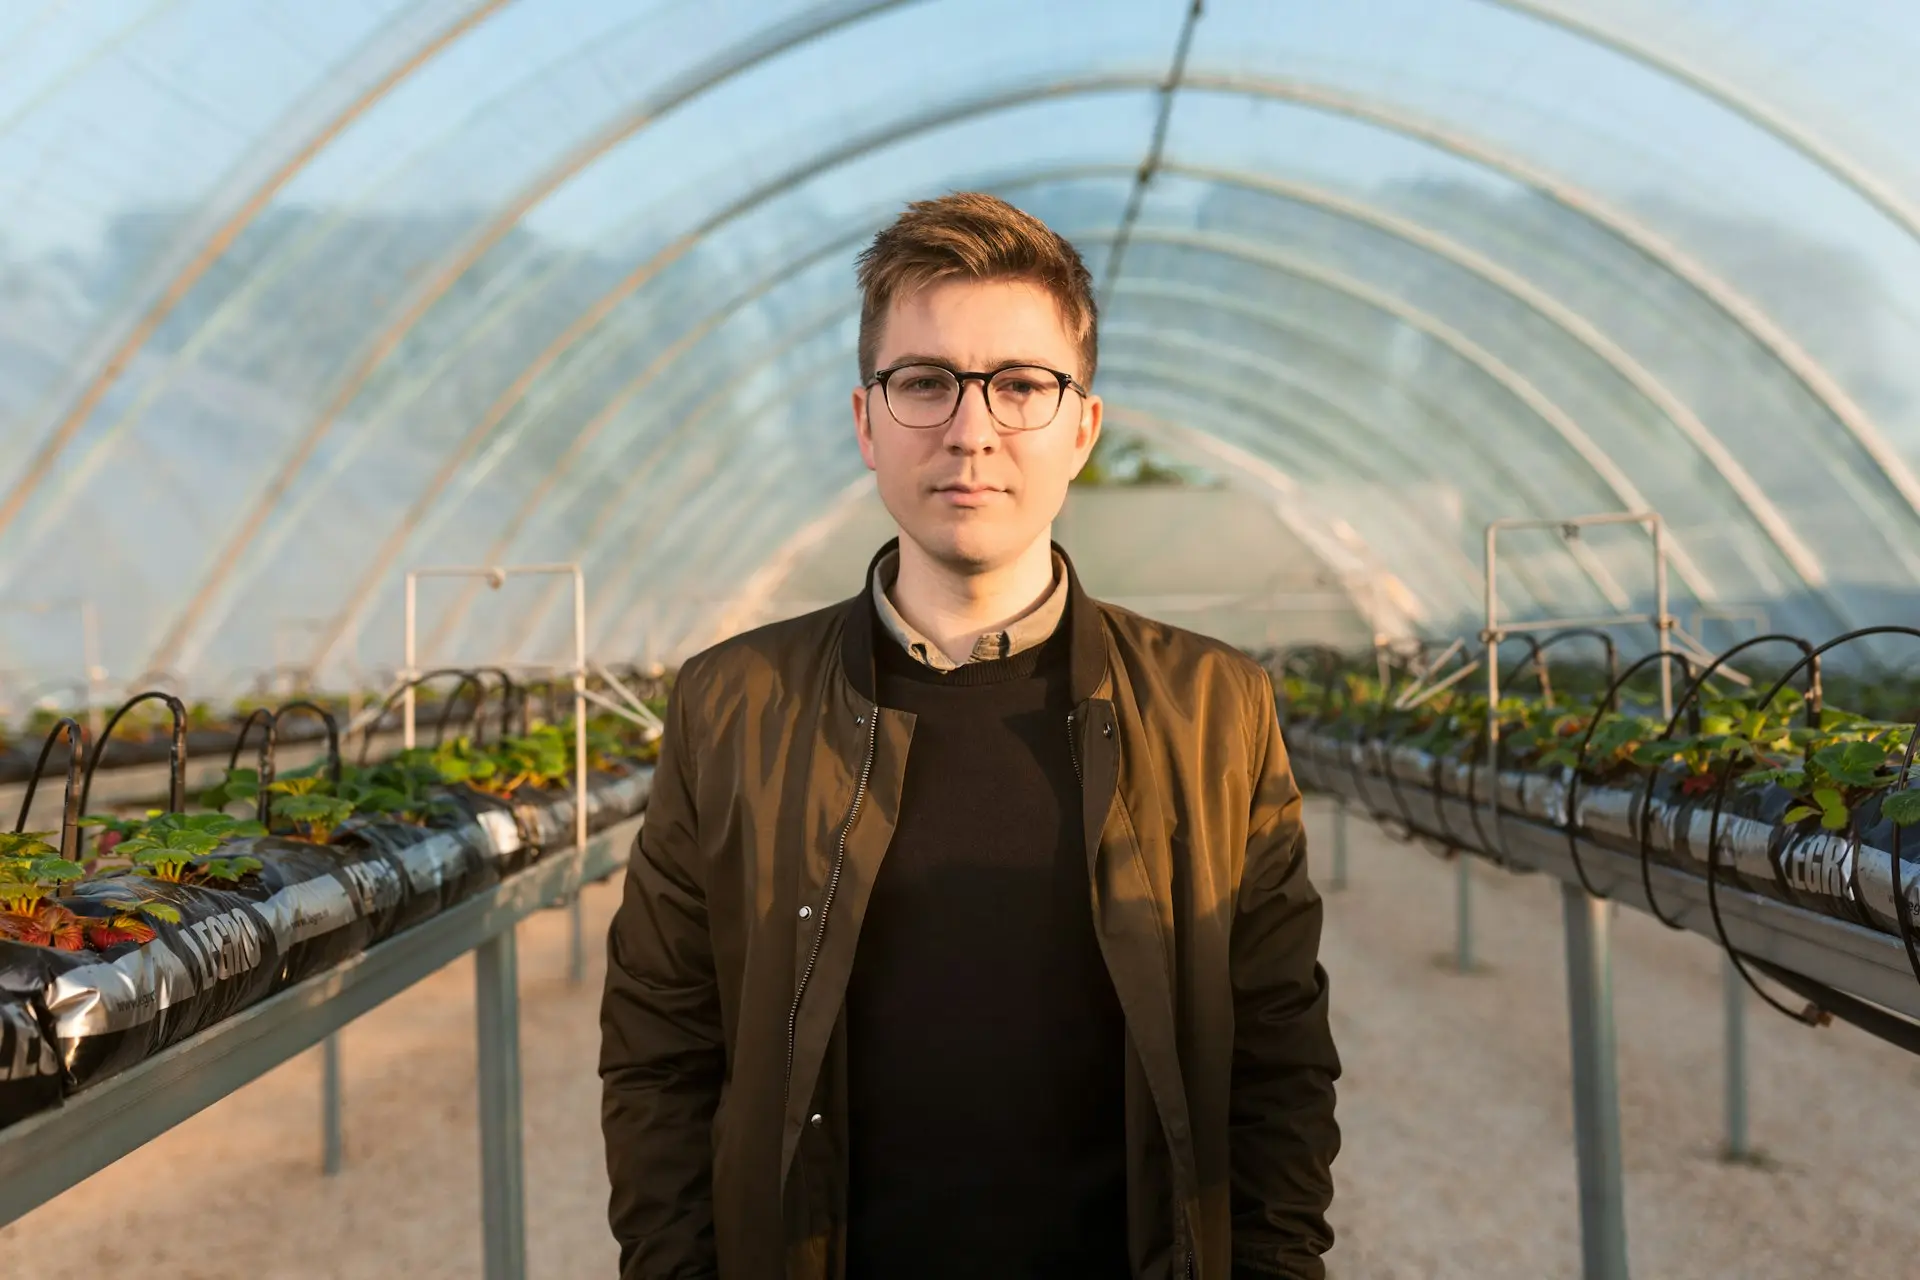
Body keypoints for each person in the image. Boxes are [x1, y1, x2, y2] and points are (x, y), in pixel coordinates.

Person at [599, 192, 1340, 1279]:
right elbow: (662, 1050)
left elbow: (1278, 1055)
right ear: (866, 421)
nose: (971, 427)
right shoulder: (731, 705)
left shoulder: (1213, 707)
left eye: (1022, 384)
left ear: (1081, 426)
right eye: (925, 381)